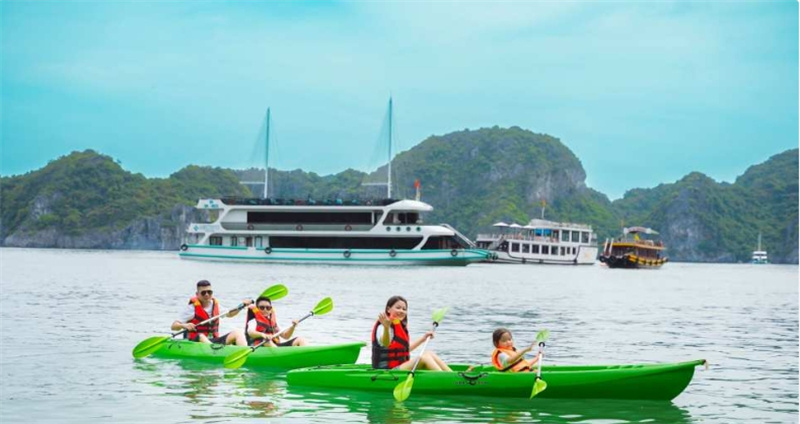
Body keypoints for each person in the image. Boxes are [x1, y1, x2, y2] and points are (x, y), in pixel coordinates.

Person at [371, 295, 451, 371]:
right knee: (423, 358)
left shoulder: (398, 326)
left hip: (399, 367)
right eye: (398, 308)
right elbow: (386, 343)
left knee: (429, 353)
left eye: (404, 309)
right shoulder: (383, 326)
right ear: (388, 309)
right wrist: (386, 327)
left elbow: (404, 350)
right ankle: (450, 381)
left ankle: (453, 376)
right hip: (386, 370)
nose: (401, 311)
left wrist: (423, 338)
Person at [171, 280, 251, 346]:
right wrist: (184, 325)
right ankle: (215, 351)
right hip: (196, 342)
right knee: (201, 336)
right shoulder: (191, 309)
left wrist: (241, 306)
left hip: (213, 341)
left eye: (209, 292)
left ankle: (246, 353)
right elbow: (174, 326)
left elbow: (230, 314)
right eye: (203, 293)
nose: (207, 295)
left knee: (238, 333)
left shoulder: (216, 305)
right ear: (197, 294)